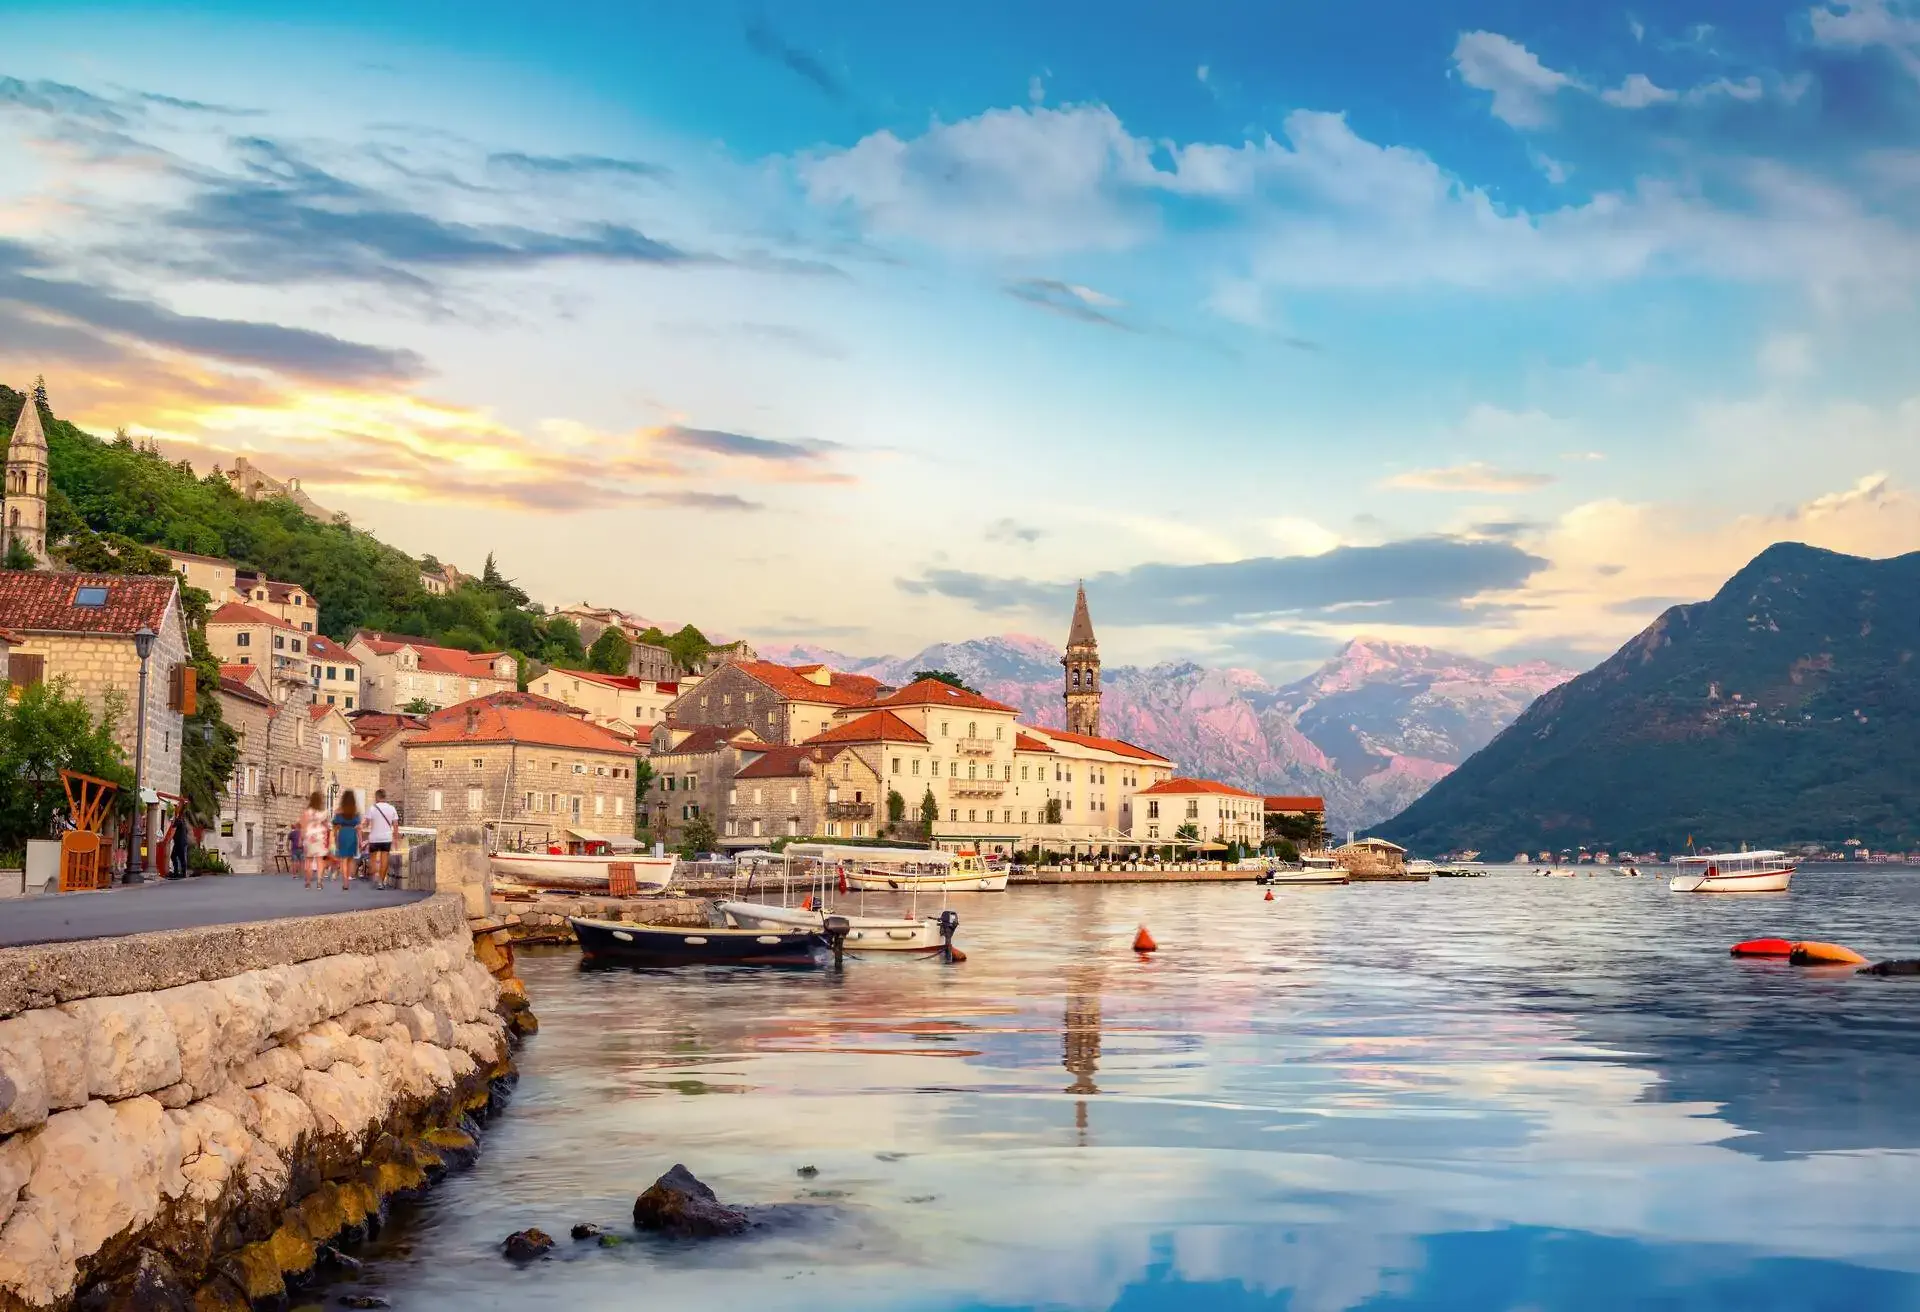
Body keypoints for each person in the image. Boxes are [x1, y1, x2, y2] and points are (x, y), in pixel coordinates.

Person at [367, 789, 400, 889]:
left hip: (374, 837)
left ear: (377, 797)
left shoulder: (372, 808)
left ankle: (375, 873)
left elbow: (367, 823)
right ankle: (381, 881)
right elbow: (395, 825)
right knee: (384, 859)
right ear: (385, 797)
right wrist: (395, 839)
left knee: (372, 858)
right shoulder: (392, 808)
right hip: (386, 837)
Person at [331, 790, 363, 892]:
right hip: (352, 834)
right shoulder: (356, 811)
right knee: (350, 859)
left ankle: (345, 882)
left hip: (343, 834)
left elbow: (335, 825)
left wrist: (335, 838)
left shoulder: (339, 811)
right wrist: (361, 841)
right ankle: (348, 878)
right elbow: (359, 827)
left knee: (343, 860)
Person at [299, 792, 330, 889]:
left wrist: (301, 838)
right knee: (320, 860)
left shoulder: (307, 812)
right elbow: (327, 826)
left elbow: (303, 826)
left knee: (308, 860)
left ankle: (308, 882)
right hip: (320, 837)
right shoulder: (324, 812)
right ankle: (319, 882)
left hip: (310, 837)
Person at [170, 810, 191, 880]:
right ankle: (178, 872)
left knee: (179, 858)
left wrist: (174, 820)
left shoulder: (180, 821)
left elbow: (174, 825)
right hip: (180, 843)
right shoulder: (184, 823)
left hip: (180, 843)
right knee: (175, 857)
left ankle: (180, 873)